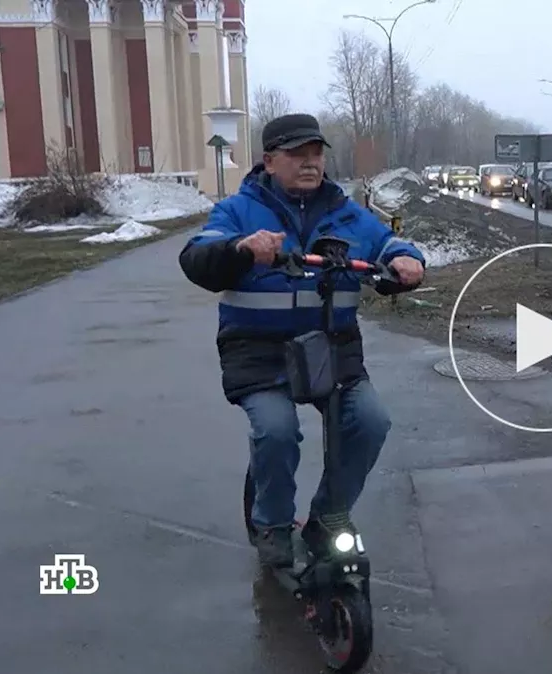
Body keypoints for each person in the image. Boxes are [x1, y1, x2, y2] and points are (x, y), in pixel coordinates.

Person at [179, 113, 425, 568]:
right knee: (277, 431)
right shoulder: (238, 211)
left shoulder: (347, 213)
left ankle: (328, 516)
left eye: (316, 154)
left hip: (333, 350)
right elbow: (196, 259)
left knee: (370, 423)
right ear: (270, 161)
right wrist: (242, 250)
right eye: (297, 155)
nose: (310, 164)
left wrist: (407, 261)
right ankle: (272, 526)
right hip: (257, 350)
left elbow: (387, 245)